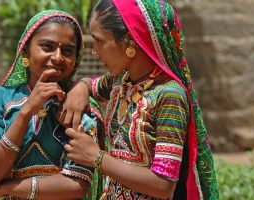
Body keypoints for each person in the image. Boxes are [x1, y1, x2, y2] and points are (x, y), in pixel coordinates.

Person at [62, 0, 219, 199]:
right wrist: (80, 89)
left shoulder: (168, 95)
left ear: (130, 41)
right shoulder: (121, 80)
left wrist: (96, 157)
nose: (95, 52)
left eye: (99, 41)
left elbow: (163, 185)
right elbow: (89, 84)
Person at [0, 10, 104, 199]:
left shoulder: (80, 105)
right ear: (25, 50)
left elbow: (77, 184)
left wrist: (7, 188)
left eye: (68, 51)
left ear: (76, 59)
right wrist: (26, 112)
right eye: (47, 46)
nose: (57, 57)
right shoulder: (0, 100)